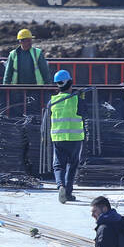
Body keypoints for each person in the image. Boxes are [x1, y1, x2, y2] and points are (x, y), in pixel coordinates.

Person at [48, 69, 86, 203]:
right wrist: (81, 96)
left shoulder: (52, 101)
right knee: (72, 165)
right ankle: (68, 193)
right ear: (70, 82)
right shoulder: (76, 100)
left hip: (58, 138)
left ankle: (60, 186)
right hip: (75, 139)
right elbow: (84, 112)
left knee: (58, 165)